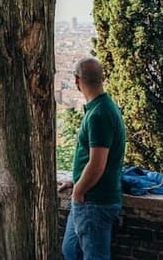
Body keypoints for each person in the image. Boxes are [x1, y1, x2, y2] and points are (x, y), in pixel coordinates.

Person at [59, 57, 127, 260]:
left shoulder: (99, 115)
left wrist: (79, 191)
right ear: (103, 78)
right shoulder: (103, 108)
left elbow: (97, 164)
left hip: (94, 201)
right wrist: (75, 181)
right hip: (89, 199)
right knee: (70, 250)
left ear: (77, 81)